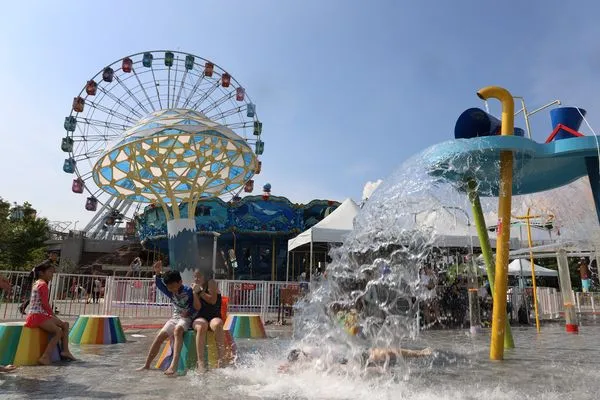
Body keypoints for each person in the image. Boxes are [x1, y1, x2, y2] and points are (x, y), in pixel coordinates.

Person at [137, 263, 200, 375]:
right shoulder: (169, 290)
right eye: (169, 288)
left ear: (180, 282)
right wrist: (157, 272)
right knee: (160, 336)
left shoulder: (189, 291)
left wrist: (189, 312)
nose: (171, 290)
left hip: (187, 318)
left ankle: (173, 365)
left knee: (178, 330)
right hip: (175, 317)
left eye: (173, 287)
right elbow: (159, 284)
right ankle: (147, 364)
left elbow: (197, 307)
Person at [25, 262, 76, 365]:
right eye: (50, 272)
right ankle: (45, 356)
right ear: (41, 273)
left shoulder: (37, 282)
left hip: (39, 315)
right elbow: (45, 304)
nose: (52, 274)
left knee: (65, 325)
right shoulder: (43, 284)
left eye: (53, 272)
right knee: (58, 332)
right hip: (37, 316)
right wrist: (53, 315)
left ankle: (66, 351)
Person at [278, 346, 433, 373]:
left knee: (385, 353)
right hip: (347, 360)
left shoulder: (310, 355)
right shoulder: (308, 358)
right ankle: (419, 353)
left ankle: (418, 353)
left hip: (350, 356)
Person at [191, 269, 225, 372]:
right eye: (195, 277)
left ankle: (221, 358)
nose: (196, 279)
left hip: (213, 316)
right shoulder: (194, 287)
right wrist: (194, 293)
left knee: (218, 324)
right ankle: (200, 362)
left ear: (205, 276)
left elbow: (213, 300)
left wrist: (200, 292)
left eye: (199, 276)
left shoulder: (211, 283)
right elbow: (197, 307)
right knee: (201, 327)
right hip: (200, 316)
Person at [19, 251, 59, 315]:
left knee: (44, 294)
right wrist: (35, 278)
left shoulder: (50, 262)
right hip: (39, 279)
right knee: (38, 294)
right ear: (51, 256)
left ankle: (52, 308)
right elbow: (36, 268)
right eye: (55, 256)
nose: (56, 257)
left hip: (42, 279)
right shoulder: (47, 262)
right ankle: (22, 307)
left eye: (57, 256)